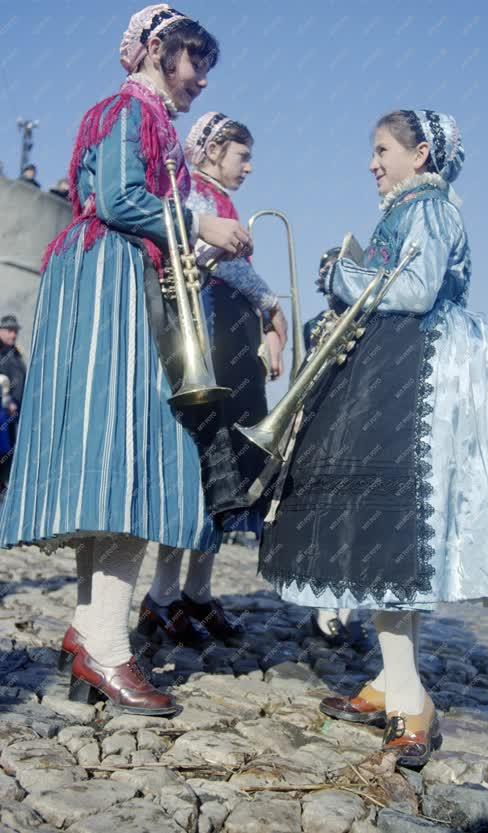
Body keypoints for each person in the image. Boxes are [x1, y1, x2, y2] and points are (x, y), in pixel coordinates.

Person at [258, 110, 488, 766]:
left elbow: (412, 290)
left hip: (417, 379)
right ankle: (390, 680)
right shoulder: (411, 206)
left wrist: (341, 276)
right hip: (396, 368)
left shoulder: (432, 207)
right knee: (385, 536)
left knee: (391, 535)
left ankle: (412, 701)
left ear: (421, 155)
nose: (372, 162)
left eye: (383, 149)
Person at [0, 4, 253, 716]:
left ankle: (92, 633)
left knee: (118, 463)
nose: (200, 77)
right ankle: (107, 647)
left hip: (116, 283)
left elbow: (129, 202)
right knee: (130, 460)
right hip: (113, 289)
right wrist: (199, 221)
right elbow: (115, 198)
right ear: (153, 52)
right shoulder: (128, 110)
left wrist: (199, 244)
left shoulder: (149, 121)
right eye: (192, 60)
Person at [139, 111, 287, 645]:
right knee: (204, 468)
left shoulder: (217, 199)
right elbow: (221, 265)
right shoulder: (192, 192)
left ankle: (193, 595)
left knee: (221, 474)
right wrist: (271, 302)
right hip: (209, 340)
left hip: (228, 341)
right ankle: (163, 596)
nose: (248, 167)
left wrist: (266, 319)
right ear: (212, 150)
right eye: (241, 155)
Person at [0, 314, 26, 489]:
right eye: (9, 331)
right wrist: (7, 400)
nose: (13, 335)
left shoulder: (15, 352)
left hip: (15, 414)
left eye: (15, 331)